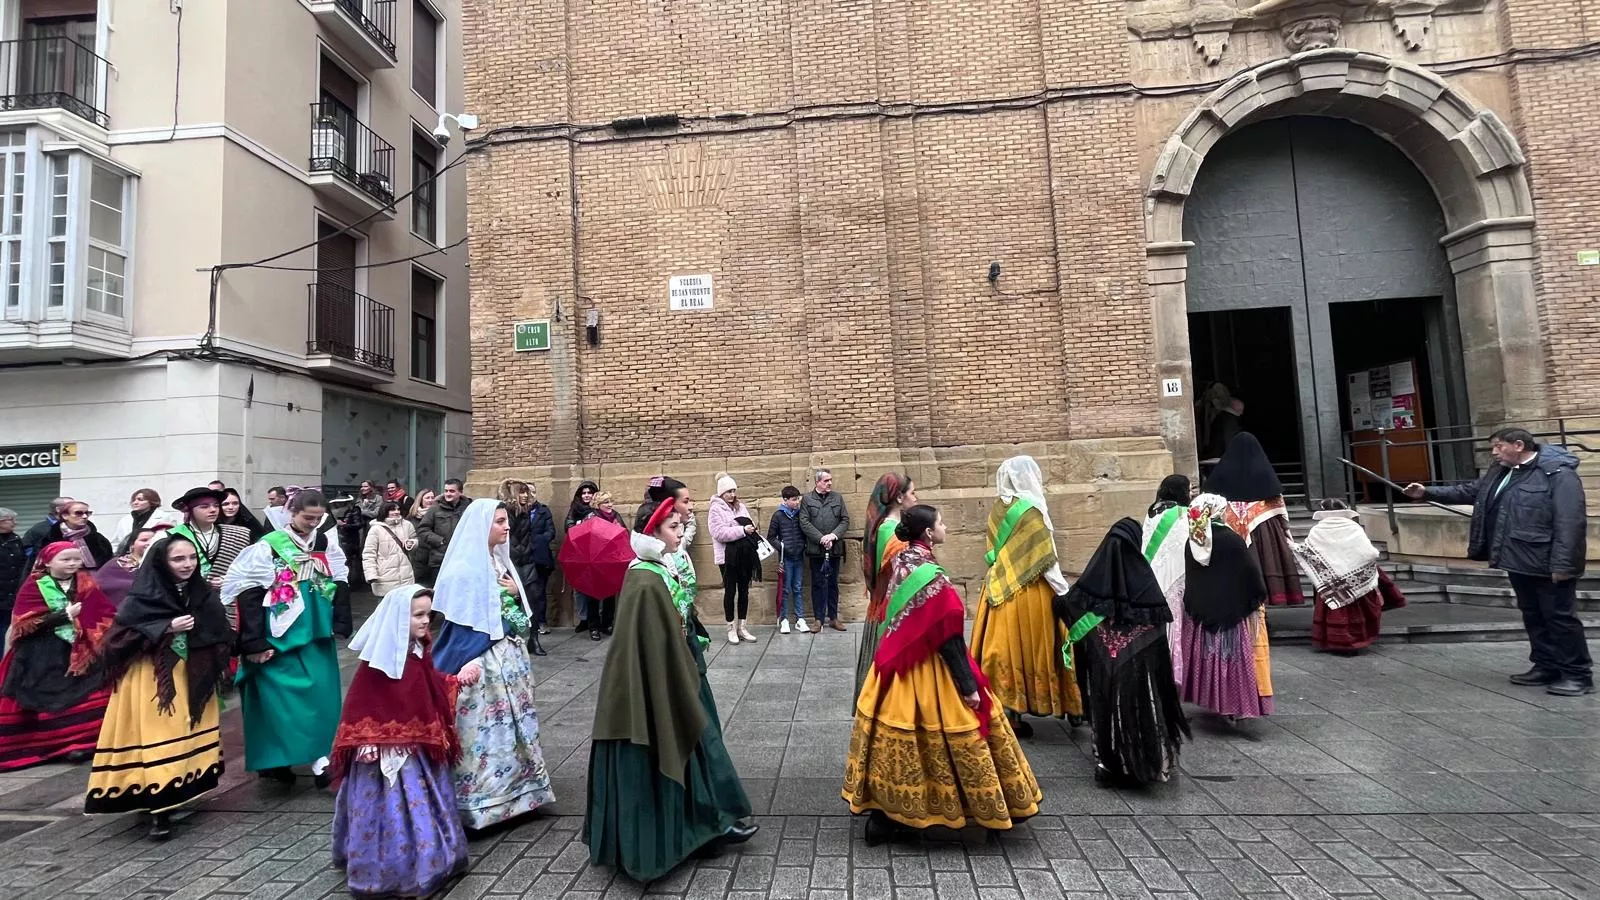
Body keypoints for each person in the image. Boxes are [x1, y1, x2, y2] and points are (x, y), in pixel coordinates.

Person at [843, 504, 1040, 844]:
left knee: (895, 737)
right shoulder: (930, 577)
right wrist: (968, 687)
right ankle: (984, 808)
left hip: (896, 667)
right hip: (931, 667)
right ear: (929, 534)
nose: (946, 527)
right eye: (941, 523)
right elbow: (948, 638)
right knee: (960, 732)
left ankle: (885, 813)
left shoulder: (903, 562)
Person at [585, 498, 756, 880]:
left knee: (699, 745)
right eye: (673, 528)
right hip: (655, 683)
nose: (681, 533)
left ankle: (708, 826)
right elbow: (647, 644)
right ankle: (684, 834)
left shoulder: (662, 568)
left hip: (678, 671)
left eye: (681, 526)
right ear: (652, 532)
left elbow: (676, 623)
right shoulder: (644, 579)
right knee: (683, 743)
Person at [1404, 427, 1591, 695]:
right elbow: (1470, 491)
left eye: (1498, 447)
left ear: (1518, 445)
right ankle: (1546, 665)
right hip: (1518, 557)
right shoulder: (1502, 471)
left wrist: (1563, 565)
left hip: (1548, 561)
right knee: (1534, 615)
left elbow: (1570, 521)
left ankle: (1577, 675)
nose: (1494, 453)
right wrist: (1426, 493)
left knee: (1559, 617)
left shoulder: (1558, 473)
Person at [85, 533, 233, 840]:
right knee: (158, 735)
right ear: (162, 562)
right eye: (178, 559)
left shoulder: (201, 591)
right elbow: (116, 642)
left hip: (190, 676)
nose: (187, 564)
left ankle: (176, 794)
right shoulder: (143, 595)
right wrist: (165, 627)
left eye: (192, 558)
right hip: (152, 679)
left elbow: (218, 629)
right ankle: (158, 809)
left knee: (183, 735)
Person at [331, 585, 469, 896]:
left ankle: (428, 860)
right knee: (387, 809)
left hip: (416, 748)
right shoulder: (379, 661)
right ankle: (386, 871)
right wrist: (369, 739)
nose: (425, 621)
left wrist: (454, 680)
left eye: (428, 614)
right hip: (380, 754)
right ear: (397, 619)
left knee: (422, 802)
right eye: (418, 615)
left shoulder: (418, 651)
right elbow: (363, 703)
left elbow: (427, 686)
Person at [430, 498, 554, 829]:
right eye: (499, 521)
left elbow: (515, 613)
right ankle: (482, 803)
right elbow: (461, 622)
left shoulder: (499, 562)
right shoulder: (463, 569)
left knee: (514, 727)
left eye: (506, 521)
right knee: (484, 731)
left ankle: (520, 794)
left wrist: (513, 593)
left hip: (508, 657)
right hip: (481, 662)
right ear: (480, 526)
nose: (507, 526)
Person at [222, 489, 353, 786]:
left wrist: (341, 620)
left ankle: (321, 755)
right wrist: (253, 642)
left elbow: (340, 578)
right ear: (290, 513)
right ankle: (277, 757)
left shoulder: (323, 542)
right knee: (277, 701)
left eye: (319, 518)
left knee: (322, 696)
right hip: (279, 634)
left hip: (317, 632)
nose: (313, 524)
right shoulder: (269, 546)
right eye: (308, 517)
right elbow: (248, 592)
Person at [1055, 519, 1189, 786]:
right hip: (1141, 668)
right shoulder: (1146, 585)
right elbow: (1158, 629)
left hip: (1104, 666)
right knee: (1144, 708)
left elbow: (1067, 606)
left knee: (1105, 706)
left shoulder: (1093, 583)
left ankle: (1109, 762)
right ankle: (1147, 762)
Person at [969, 456, 1082, 738]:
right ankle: (1066, 704)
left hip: (998, 590)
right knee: (1040, 647)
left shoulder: (998, 508)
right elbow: (1047, 559)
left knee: (1004, 650)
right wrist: (1065, 593)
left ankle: (1009, 712)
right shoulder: (1032, 512)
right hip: (1031, 592)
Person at [0, 543, 115, 770]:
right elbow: (23, 622)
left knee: (89, 694)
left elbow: (103, 611)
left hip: (84, 649)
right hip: (42, 652)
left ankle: (86, 742)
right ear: (48, 562)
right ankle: (59, 745)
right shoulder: (34, 585)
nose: (72, 564)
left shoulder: (85, 581)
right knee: (49, 695)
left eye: (75, 559)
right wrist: (63, 615)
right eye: (66, 560)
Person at [1179, 493, 1272, 720]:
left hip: (1203, 612)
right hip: (1231, 611)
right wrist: (1256, 595)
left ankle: (1214, 700)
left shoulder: (1193, 542)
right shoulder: (1232, 540)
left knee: (1210, 658)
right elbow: (1250, 573)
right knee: (1234, 661)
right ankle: (1235, 705)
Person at [1292, 500, 1407, 654]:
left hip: (1331, 579)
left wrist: (1293, 546)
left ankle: (1336, 642)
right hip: (1357, 578)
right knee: (1357, 611)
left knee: (1335, 608)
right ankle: (1358, 641)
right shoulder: (1354, 528)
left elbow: (1310, 553)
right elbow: (1369, 552)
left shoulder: (1318, 530)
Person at [1205, 432, 1305, 607]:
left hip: (1229, 531)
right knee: (1267, 561)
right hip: (1265, 529)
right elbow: (1277, 503)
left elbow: (1210, 500)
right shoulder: (1263, 472)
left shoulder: (1222, 474)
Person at [855, 474, 916, 694]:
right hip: (892, 612)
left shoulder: (888, 527)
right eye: (912, 492)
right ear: (899, 498)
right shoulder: (892, 533)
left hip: (884, 607)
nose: (915, 498)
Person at [1142, 475, 1193, 686]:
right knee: (1176, 627)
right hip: (1175, 576)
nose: (1191, 494)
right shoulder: (1182, 514)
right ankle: (1174, 676)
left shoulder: (1152, 512)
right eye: (1189, 490)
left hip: (1152, 576)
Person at [167, 487, 255, 600]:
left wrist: (230, 579)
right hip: (185, 599)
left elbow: (251, 569)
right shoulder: (171, 535)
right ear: (189, 510)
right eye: (204, 506)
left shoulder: (238, 534)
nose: (213, 510)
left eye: (216, 505)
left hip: (228, 601)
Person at [709, 474, 761, 645]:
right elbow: (719, 533)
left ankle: (742, 627)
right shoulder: (715, 509)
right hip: (727, 557)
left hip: (744, 555)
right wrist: (741, 530)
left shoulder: (741, 507)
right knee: (730, 591)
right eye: (728, 491)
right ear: (721, 493)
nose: (732, 495)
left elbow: (749, 524)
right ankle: (730, 627)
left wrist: (750, 528)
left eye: (733, 491)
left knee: (744, 591)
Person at [501, 479, 551, 655]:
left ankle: (534, 638)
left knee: (534, 600)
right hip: (510, 563)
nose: (525, 495)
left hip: (528, 561)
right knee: (510, 603)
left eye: (526, 492)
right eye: (521, 492)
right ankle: (511, 638)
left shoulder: (526, 512)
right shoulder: (505, 511)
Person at [799, 468, 849, 632]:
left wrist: (833, 536)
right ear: (817, 482)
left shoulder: (837, 498)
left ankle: (833, 618)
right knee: (818, 584)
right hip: (816, 550)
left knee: (833, 584)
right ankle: (818, 619)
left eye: (830, 480)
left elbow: (844, 520)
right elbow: (804, 522)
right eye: (826, 480)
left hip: (834, 549)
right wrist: (821, 538)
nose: (830, 483)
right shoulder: (807, 499)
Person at [767, 486, 807, 635]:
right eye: (793, 499)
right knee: (785, 589)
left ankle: (800, 619)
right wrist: (782, 547)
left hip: (799, 557)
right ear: (785, 500)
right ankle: (784, 619)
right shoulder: (778, 515)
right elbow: (771, 537)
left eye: (798, 499)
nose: (797, 502)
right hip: (786, 559)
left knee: (798, 588)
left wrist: (803, 545)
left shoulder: (799, 514)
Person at [93, 527, 162, 610]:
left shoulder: (162, 565)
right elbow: (97, 586)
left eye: (153, 540)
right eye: (144, 540)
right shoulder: (116, 564)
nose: (149, 543)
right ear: (132, 545)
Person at [416, 479, 469, 586]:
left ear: (460, 492)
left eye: (452, 491)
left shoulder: (468, 508)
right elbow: (422, 529)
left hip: (463, 559)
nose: (448, 494)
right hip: (440, 560)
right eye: (446, 491)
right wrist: (439, 541)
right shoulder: (435, 509)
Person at [565, 480, 601, 633]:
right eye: (584, 493)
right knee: (579, 590)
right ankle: (583, 618)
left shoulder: (598, 510)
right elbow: (568, 527)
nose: (586, 495)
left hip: (596, 554)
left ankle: (595, 620)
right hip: (578, 554)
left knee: (595, 590)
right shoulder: (574, 509)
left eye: (589, 493)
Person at [362, 502, 418, 597]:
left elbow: (415, 539)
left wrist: (412, 543)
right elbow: (369, 554)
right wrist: (371, 575)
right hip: (384, 578)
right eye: (392, 509)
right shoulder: (376, 529)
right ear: (385, 511)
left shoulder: (407, 525)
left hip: (406, 577)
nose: (396, 512)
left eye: (398, 509)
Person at [45, 500, 113, 572]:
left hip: (95, 577)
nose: (84, 516)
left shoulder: (98, 538)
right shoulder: (51, 538)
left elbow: (108, 561)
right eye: (78, 513)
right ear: (65, 516)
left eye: (87, 513)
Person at [109, 489, 183, 551]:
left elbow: (171, 541)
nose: (135, 502)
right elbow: (116, 542)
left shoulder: (165, 517)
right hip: (128, 558)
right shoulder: (125, 520)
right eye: (133, 500)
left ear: (152, 502)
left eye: (140, 500)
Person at [0, 509, 27, 648]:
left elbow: (23, 563)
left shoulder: (15, 540)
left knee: (8, 629)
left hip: (12, 592)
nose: (15, 523)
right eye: (11, 520)